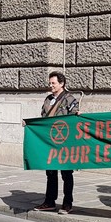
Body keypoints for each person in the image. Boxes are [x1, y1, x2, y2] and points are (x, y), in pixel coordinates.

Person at [33, 71, 80, 214]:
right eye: (50, 83)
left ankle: (67, 203)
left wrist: (77, 116)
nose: (51, 85)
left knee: (66, 173)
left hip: (65, 143)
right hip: (50, 142)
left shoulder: (70, 99)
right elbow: (43, 118)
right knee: (51, 172)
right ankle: (49, 201)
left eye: (53, 83)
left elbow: (74, 118)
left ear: (62, 83)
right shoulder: (48, 99)